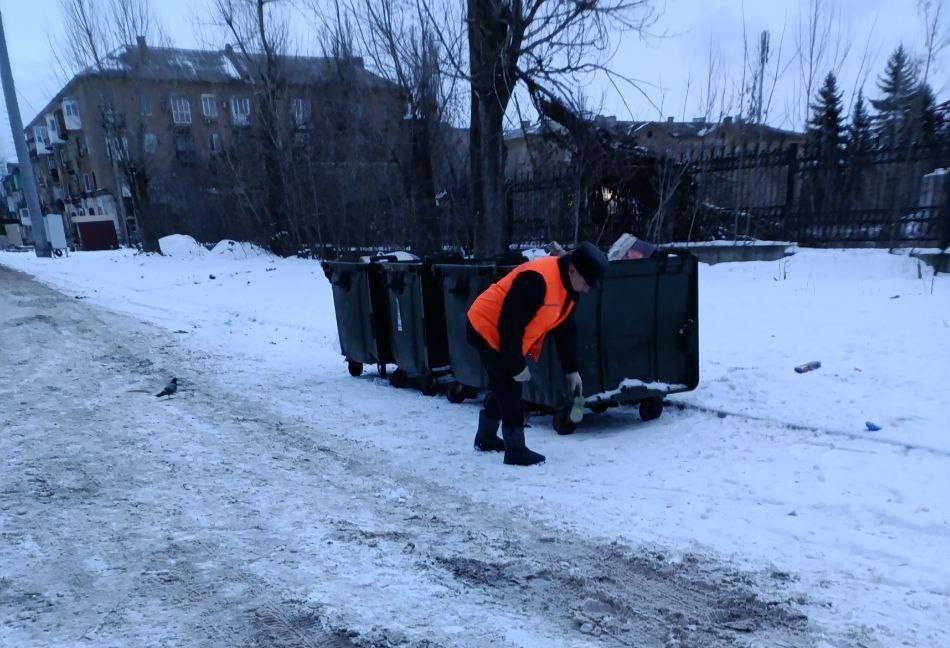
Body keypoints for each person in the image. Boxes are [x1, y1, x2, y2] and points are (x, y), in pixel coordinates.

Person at [466, 242, 608, 466]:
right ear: (572, 269)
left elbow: (565, 330)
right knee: (510, 385)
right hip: (485, 325)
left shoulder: (571, 290)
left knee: (503, 384)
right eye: (587, 282)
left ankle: (485, 438)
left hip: (507, 333)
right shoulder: (536, 280)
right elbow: (509, 325)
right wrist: (516, 365)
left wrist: (571, 371)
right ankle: (515, 450)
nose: (588, 288)